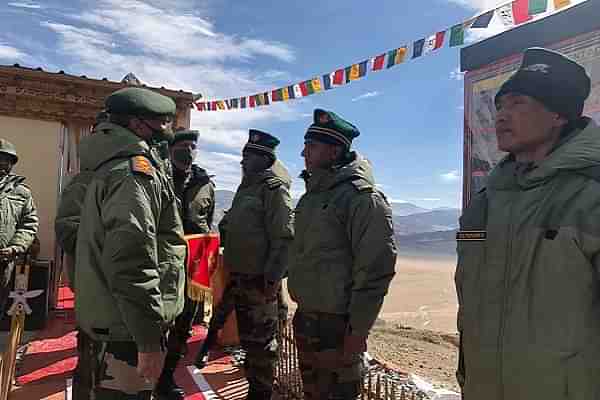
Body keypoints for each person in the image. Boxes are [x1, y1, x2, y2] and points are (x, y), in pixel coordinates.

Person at [455, 48, 600, 399]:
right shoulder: (484, 202)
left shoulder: (591, 195)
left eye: (517, 103)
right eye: (500, 105)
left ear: (557, 114)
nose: (501, 116)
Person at [74, 87, 186, 399]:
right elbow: (132, 261)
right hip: (127, 330)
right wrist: (149, 340)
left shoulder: (115, 165)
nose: (169, 132)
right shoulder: (133, 174)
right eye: (163, 123)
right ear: (138, 126)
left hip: (116, 319)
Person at [288, 109, 397, 399]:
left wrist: (358, 331)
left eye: (311, 146)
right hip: (307, 318)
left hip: (338, 327)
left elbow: (375, 269)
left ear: (334, 151)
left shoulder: (361, 199)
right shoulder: (312, 197)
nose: (303, 153)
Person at [219, 129, 294, 399]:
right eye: (243, 157)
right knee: (250, 341)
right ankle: (256, 387)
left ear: (263, 159)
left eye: (248, 157)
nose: (242, 162)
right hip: (241, 277)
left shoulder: (273, 190)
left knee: (262, 344)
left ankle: (261, 393)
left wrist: (272, 281)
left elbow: (284, 238)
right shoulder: (246, 188)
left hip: (260, 281)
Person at [155, 129, 216, 400]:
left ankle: (166, 379)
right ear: (171, 149)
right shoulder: (157, 177)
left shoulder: (205, 183)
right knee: (156, 322)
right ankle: (146, 377)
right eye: (184, 146)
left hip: (196, 260)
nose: (189, 151)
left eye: (193, 146)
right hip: (163, 259)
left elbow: (207, 223)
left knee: (183, 324)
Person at [0, 139, 38, 317]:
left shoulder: (21, 192)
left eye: (8, 160)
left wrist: (15, 247)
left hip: (3, 264)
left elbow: (28, 223)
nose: (3, 164)